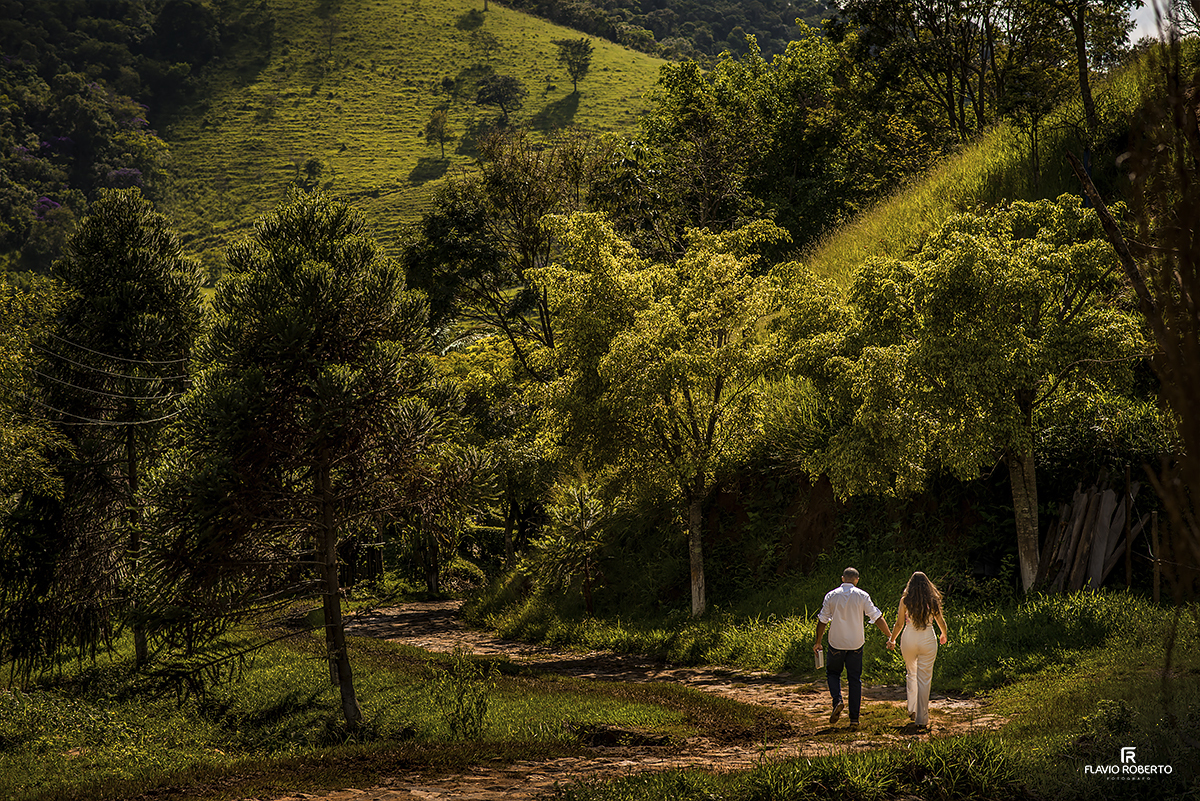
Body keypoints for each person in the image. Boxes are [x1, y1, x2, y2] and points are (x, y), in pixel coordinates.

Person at [813, 567, 893, 730]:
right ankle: (854, 719)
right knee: (854, 679)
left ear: (843, 579)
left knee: (833, 673)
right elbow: (877, 617)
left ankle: (837, 700)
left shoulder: (831, 595)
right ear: (857, 580)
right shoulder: (862, 595)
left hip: (836, 643)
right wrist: (890, 636)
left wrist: (818, 642)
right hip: (856, 644)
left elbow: (822, 620)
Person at [888, 571, 949, 730]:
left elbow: (899, 624)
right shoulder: (932, 600)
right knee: (924, 678)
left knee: (911, 673)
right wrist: (944, 633)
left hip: (909, 638)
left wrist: (892, 639)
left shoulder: (905, 601)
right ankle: (922, 718)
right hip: (927, 638)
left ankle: (912, 709)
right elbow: (940, 621)